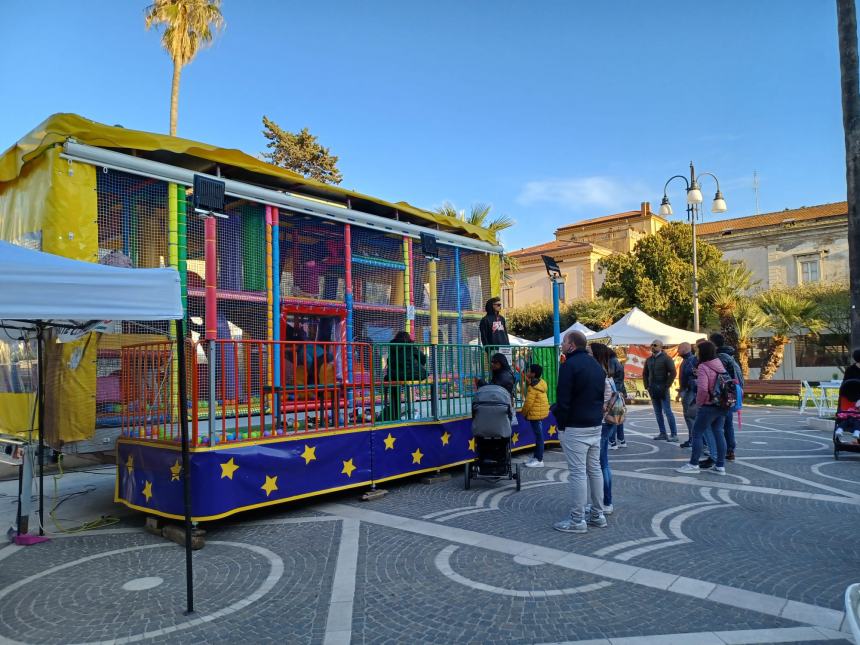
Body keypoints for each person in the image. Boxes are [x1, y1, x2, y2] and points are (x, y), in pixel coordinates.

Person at [552, 331, 609, 533]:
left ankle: (577, 520)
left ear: (572, 345)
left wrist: (561, 423)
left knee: (578, 473)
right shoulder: (597, 365)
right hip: (595, 424)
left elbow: (564, 399)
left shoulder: (569, 366)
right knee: (594, 469)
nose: (562, 345)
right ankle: (598, 514)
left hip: (575, 426)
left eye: (564, 341)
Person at [676, 341, 729, 475]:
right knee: (718, 432)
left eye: (698, 351)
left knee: (697, 433)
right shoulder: (719, 363)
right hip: (721, 404)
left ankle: (693, 464)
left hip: (708, 405)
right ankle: (720, 466)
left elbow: (703, 389)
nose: (696, 353)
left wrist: (699, 403)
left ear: (703, 352)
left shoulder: (704, 367)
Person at [589, 343, 621, 515]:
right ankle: (604, 501)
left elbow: (599, 401)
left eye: (588, 352)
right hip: (608, 422)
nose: (586, 354)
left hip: (602, 422)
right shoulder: (607, 373)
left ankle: (606, 502)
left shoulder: (600, 375)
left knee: (601, 464)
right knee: (603, 463)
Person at [710, 333, 744, 461]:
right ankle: (730, 450)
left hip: (724, 395)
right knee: (727, 424)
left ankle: (723, 450)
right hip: (732, 393)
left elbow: (719, 377)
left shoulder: (721, 358)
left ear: (713, 344)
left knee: (720, 424)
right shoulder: (731, 356)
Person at [381, 331, 427, 421]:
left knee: (391, 380)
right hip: (414, 374)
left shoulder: (392, 348)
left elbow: (389, 362)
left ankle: (395, 413)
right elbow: (422, 359)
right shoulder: (410, 346)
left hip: (397, 376)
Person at [643, 339, 678, 442]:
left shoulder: (666, 358)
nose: (653, 346)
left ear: (661, 347)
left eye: (655, 345)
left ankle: (674, 434)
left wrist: (667, 385)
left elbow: (673, 372)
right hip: (652, 389)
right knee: (658, 412)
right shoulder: (649, 359)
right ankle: (662, 433)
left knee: (667, 411)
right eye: (652, 345)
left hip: (662, 389)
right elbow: (645, 373)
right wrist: (647, 386)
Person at [521, 364, 550, 468]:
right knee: (539, 436)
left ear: (533, 374)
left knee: (539, 437)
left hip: (535, 414)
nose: (527, 373)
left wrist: (523, 414)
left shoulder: (533, 387)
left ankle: (539, 459)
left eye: (529, 371)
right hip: (539, 413)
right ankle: (536, 457)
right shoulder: (540, 383)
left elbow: (528, 403)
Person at [676, 342, 698, 449]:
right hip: (687, 390)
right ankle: (693, 439)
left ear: (685, 349)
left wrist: (686, 388)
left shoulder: (692, 360)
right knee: (689, 415)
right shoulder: (687, 360)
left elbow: (693, 375)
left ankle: (693, 439)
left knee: (690, 415)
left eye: (679, 349)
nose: (678, 351)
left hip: (690, 391)